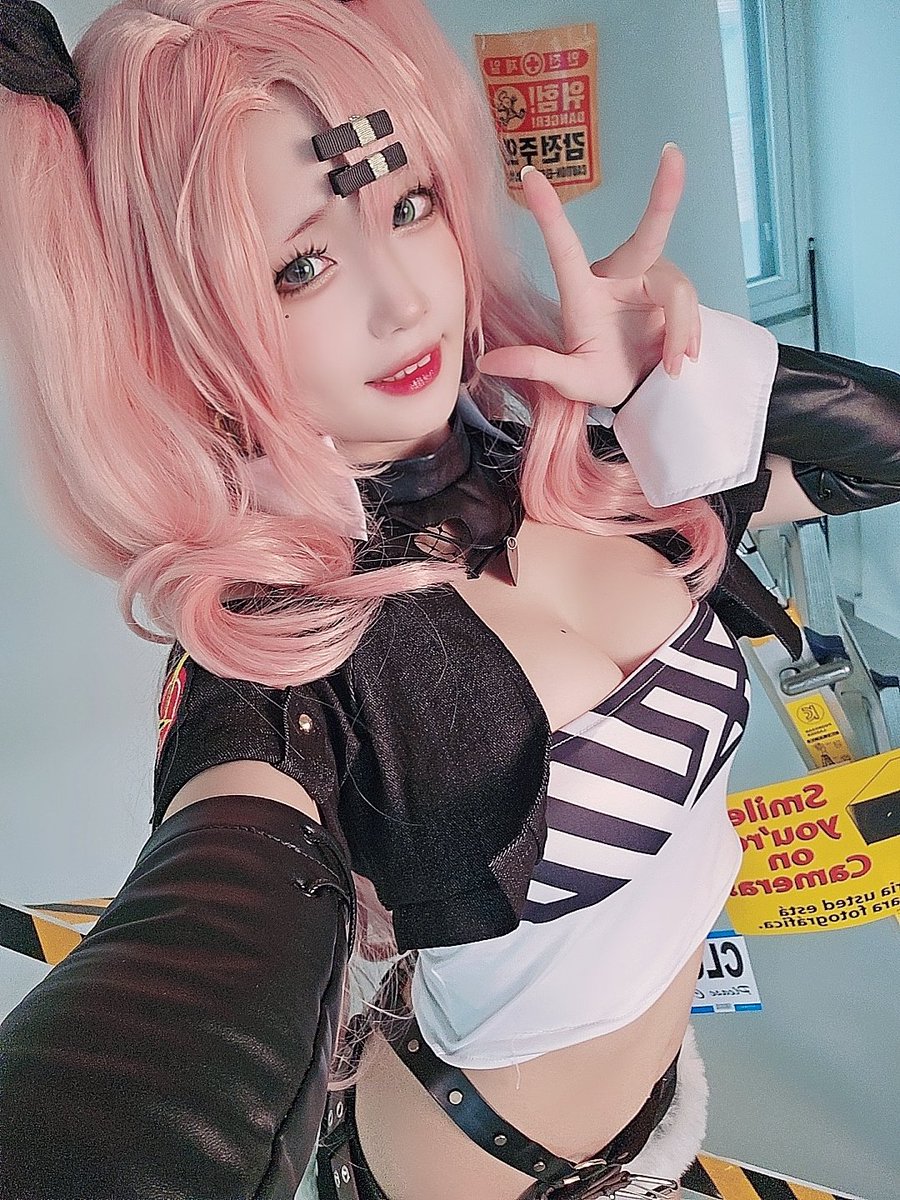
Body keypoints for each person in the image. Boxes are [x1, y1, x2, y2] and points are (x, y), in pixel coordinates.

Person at [0, 2, 898, 1198]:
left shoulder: (595, 466)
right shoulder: (286, 644)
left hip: (654, 1099)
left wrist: (671, 379)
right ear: (183, 329)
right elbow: (196, 975)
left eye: (408, 206)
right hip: (466, 1167)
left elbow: (879, 455)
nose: (404, 300)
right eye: (301, 266)